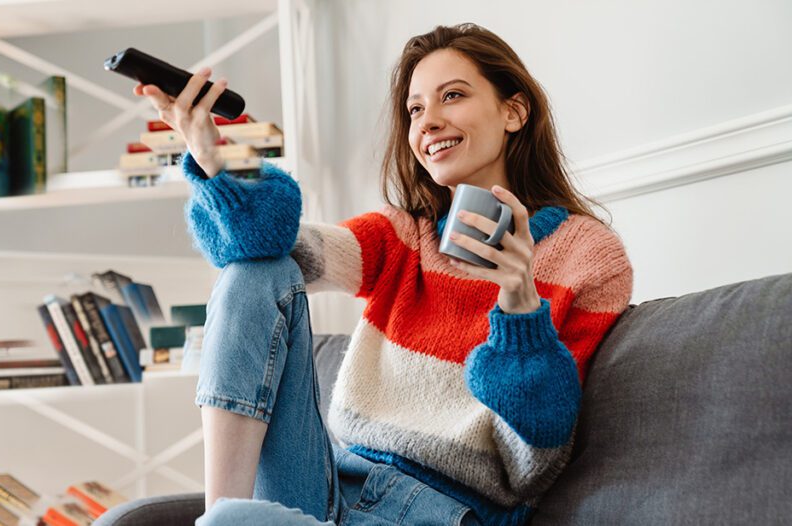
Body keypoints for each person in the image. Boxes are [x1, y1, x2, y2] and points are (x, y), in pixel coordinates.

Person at [127, 23, 632, 526]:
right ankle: (222, 516)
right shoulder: (402, 236)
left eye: (451, 96)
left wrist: (518, 302)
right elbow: (263, 245)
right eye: (415, 109)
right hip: (331, 487)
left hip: (441, 513)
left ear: (514, 111)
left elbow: (534, 464)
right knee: (255, 273)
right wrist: (209, 153)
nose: (428, 122)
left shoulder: (587, 255)